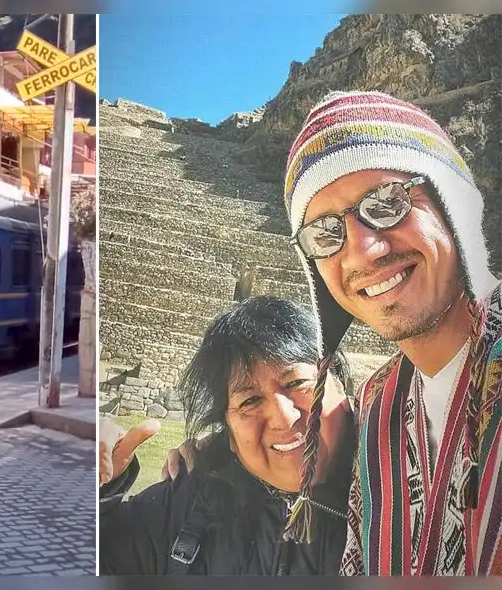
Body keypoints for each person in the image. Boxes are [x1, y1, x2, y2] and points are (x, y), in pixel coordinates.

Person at [167, 91, 502, 576]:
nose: (363, 250)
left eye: (387, 203)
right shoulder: (381, 410)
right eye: (326, 233)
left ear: (453, 204)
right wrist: (218, 451)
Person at [99, 296, 356, 575]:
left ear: (342, 388)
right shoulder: (187, 506)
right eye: (250, 401)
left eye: (297, 383)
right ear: (229, 435)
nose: (284, 418)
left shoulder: (399, 498)